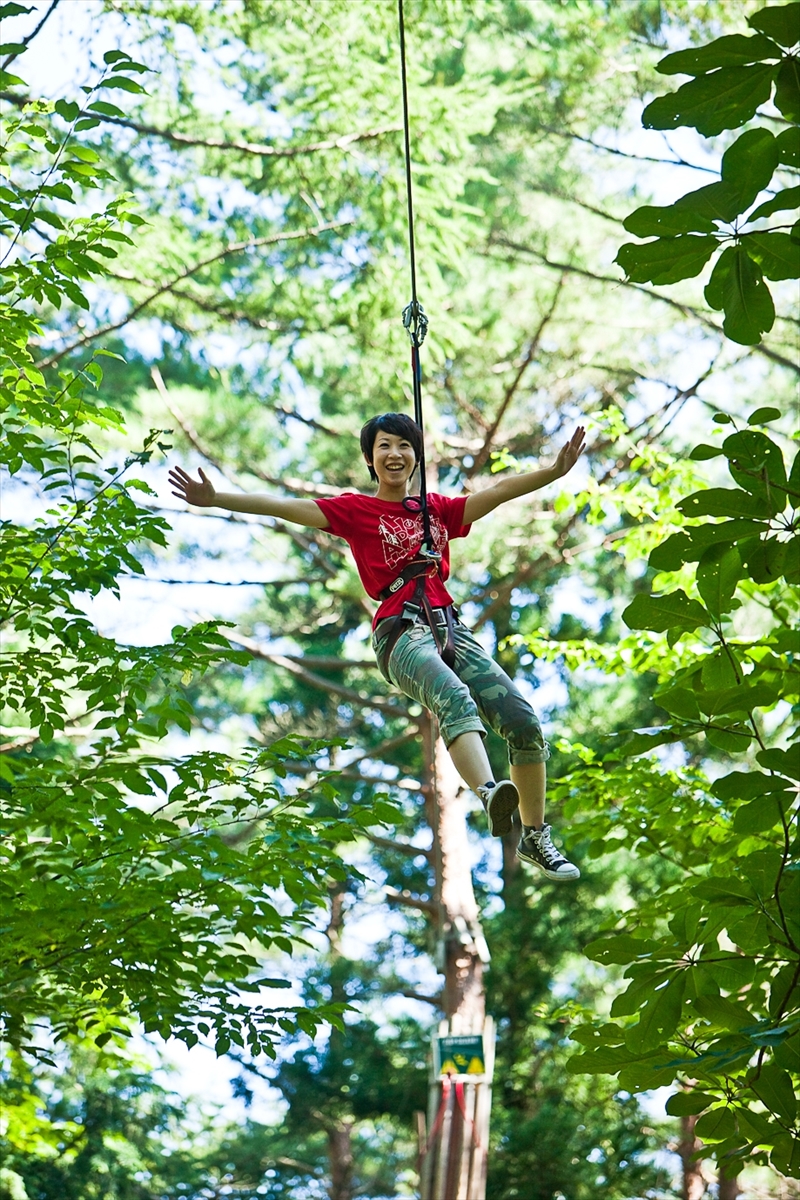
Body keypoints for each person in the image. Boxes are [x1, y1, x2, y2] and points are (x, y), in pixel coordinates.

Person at [169, 413, 586, 881]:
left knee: (523, 720)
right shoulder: (356, 511)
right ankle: (489, 791)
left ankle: (534, 837)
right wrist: (217, 498)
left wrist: (552, 473)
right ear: (370, 459)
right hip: (400, 632)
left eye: (404, 446)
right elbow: (284, 506)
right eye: (384, 446)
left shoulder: (436, 510)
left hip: (450, 625)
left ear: (416, 457)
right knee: (453, 697)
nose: (395, 454)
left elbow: (493, 495)